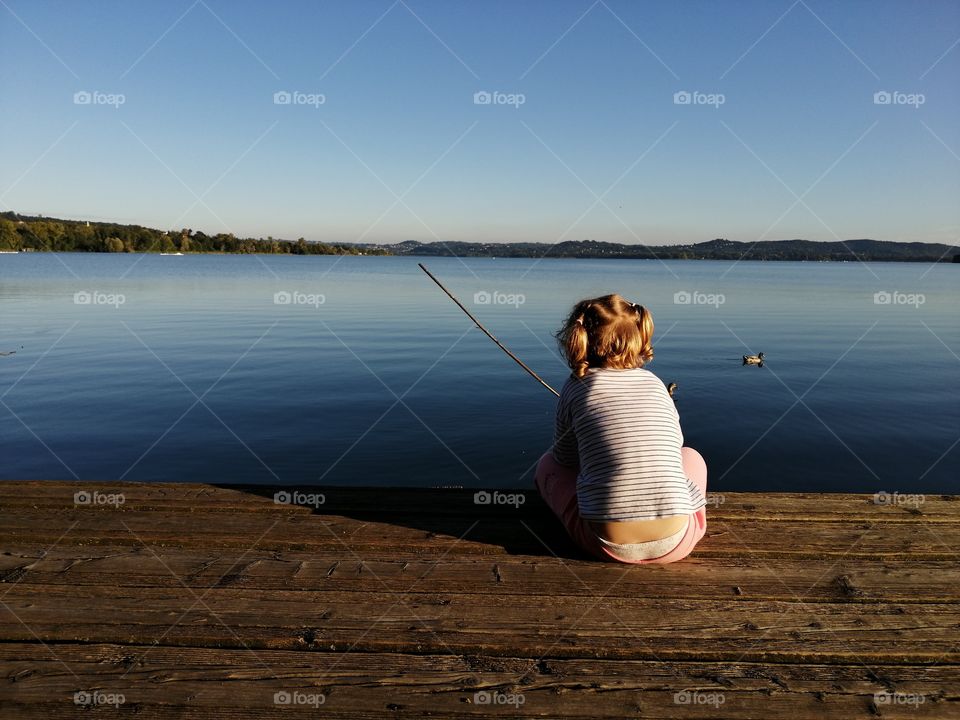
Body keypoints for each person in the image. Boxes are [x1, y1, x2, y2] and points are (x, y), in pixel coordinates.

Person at [534, 294, 708, 564]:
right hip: (677, 543)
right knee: (691, 455)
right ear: (638, 337)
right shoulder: (655, 384)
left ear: (577, 338)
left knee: (546, 465)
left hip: (603, 545)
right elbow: (673, 448)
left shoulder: (576, 387)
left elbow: (564, 459)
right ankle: (690, 516)